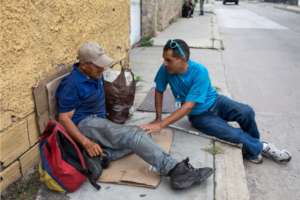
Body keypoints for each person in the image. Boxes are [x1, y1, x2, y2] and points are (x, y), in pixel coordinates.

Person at [55, 41, 213, 190]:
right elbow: (64, 118)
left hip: (99, 122)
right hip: (85, 124)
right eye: (98, 67)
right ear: (85, 65)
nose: (102, 69)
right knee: (134, 137)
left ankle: (104, 156)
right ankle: (176, 171)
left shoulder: (93, 75)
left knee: (144, 136)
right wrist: (86, 143)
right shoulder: (72, 83)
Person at [140, 39, 292, 164]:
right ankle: (260, 147)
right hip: (200, 116)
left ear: (183, 59)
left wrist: (161, 125)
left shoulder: (199, 71)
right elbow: (159, 90)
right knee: (233, 133)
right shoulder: (165, 70)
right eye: (164, 59)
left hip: (217, 102)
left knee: (246, 111)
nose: (165, 63)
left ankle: (253, 147)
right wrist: (158, 117)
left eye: (169, 60)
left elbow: (187, 106)